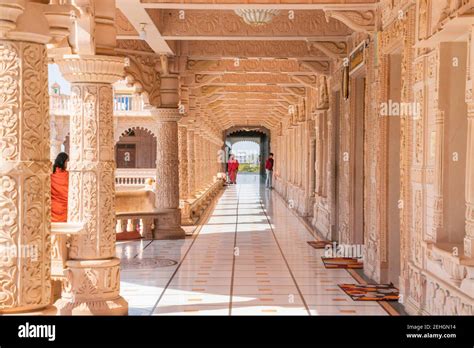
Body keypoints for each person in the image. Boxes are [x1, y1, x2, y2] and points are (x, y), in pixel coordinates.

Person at [51, 152, 69, 222]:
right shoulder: (67, 175)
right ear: (63, 162)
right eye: (67, 161)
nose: (67, 164)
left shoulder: (51, 175)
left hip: (53, 209)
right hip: (64, 209)